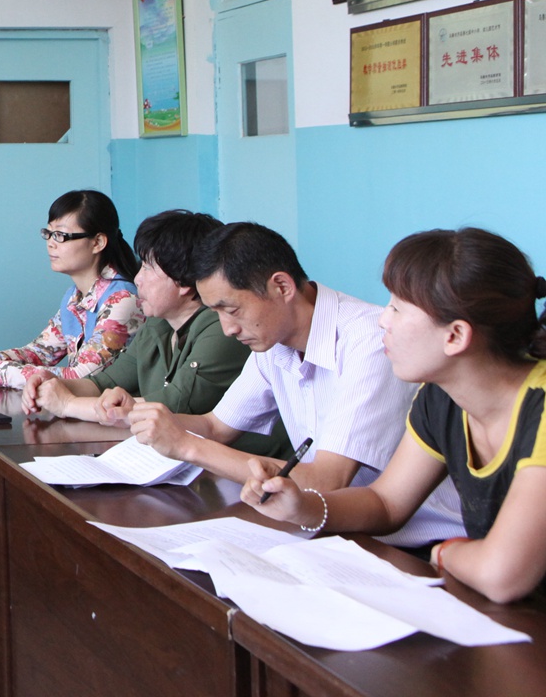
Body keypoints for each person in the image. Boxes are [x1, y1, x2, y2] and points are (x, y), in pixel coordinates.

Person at [249, 228, 546, 601]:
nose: (382, 320)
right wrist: (303, 506)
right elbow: (387, 502)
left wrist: (445, 552)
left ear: (455, 336)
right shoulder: (439, 398)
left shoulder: (540, 408)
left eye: (397, 308)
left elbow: (502, 575)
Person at [128, 221, 463, 547]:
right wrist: (148, 420)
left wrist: (188, 446)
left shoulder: (370, 340)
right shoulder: (271, 339)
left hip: (417, 543)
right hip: (338, 528)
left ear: (282, 287)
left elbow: (328, 481)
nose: (227, 328)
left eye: (232, 310)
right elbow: (216, 427)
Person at [22, 209, 285, 456]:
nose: (137, 278)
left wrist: (67, 404)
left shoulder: (221, 328)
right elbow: (105, 382)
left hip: (241, 468)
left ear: (182, 280)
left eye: (148, 268)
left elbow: (173, 405)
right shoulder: (158, 323)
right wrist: (53, 384)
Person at [0, 190, 141, 389]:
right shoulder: (75, 296)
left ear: (97, 242)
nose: (51, 243)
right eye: (49, 233)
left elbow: (80, 378)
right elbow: (40, 352)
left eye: (60, 235)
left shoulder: (122, 299)